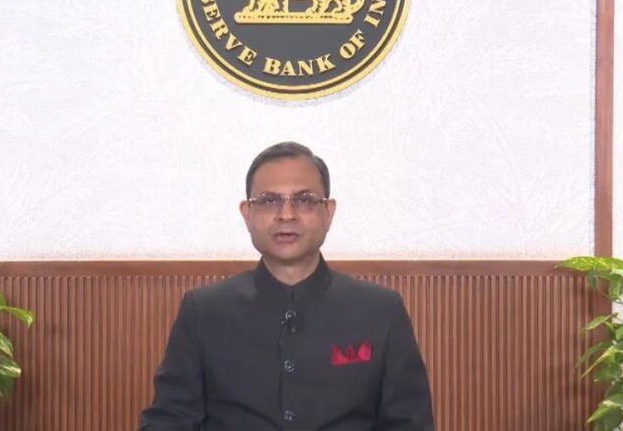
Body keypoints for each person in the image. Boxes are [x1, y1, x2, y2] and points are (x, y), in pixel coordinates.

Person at [139, 142, 434, 430]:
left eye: (304, 200)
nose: (287, 214)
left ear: (328, 212)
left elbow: (410, 423)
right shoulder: (203, 311)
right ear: (247, 214)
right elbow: (169, 421)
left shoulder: (381, 312)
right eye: (269, 200)